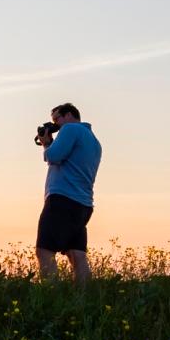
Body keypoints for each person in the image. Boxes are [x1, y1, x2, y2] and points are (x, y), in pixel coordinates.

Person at [35, 102, 102, 286]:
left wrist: (47, 144)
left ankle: (51, 297)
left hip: (62, 199)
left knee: (44, 250)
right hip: (84, 204)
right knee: (76, 253)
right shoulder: (94, 140)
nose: (55, 125)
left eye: (57, 119)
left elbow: (54, 156)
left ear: (69, 115)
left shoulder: (71, 129)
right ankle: (84, 297)